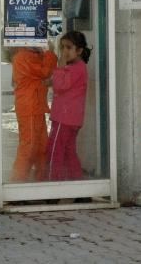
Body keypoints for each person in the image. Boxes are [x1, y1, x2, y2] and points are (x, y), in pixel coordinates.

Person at [46, 31, 91, 181]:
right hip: (71, 118)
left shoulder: (77, 68)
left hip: (64, 118)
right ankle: (78, 185)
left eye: (68, 47)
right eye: (62, 47)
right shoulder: (77, 67)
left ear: (79, 51)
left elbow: (60, 86)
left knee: (55, 151)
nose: (64, 51)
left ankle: (53, 184)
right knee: (68, 152)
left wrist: (59, 67)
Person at [11, 46, 57, 182]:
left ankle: (40, 181)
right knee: (29, 147)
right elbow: (45, 71)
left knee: (41, 147)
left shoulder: (30, 55)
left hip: (35, 107)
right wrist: (49, 52)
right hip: (30, 108)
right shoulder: (23, 57)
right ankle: (17, 182)